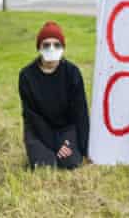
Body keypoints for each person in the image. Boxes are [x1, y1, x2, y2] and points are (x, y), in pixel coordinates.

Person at [18, 21, 89, 169]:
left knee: (71, 162)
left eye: (57, 44)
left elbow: (80, 112)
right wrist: (55, 144)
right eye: (46, 44)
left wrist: (81, 147)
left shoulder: (72, 73)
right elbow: (31, 116)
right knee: (44, 166)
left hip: (65, 129)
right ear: (39, 47)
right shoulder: (26, 75)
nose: (51, 48)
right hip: (38, 131)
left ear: (63, 48)